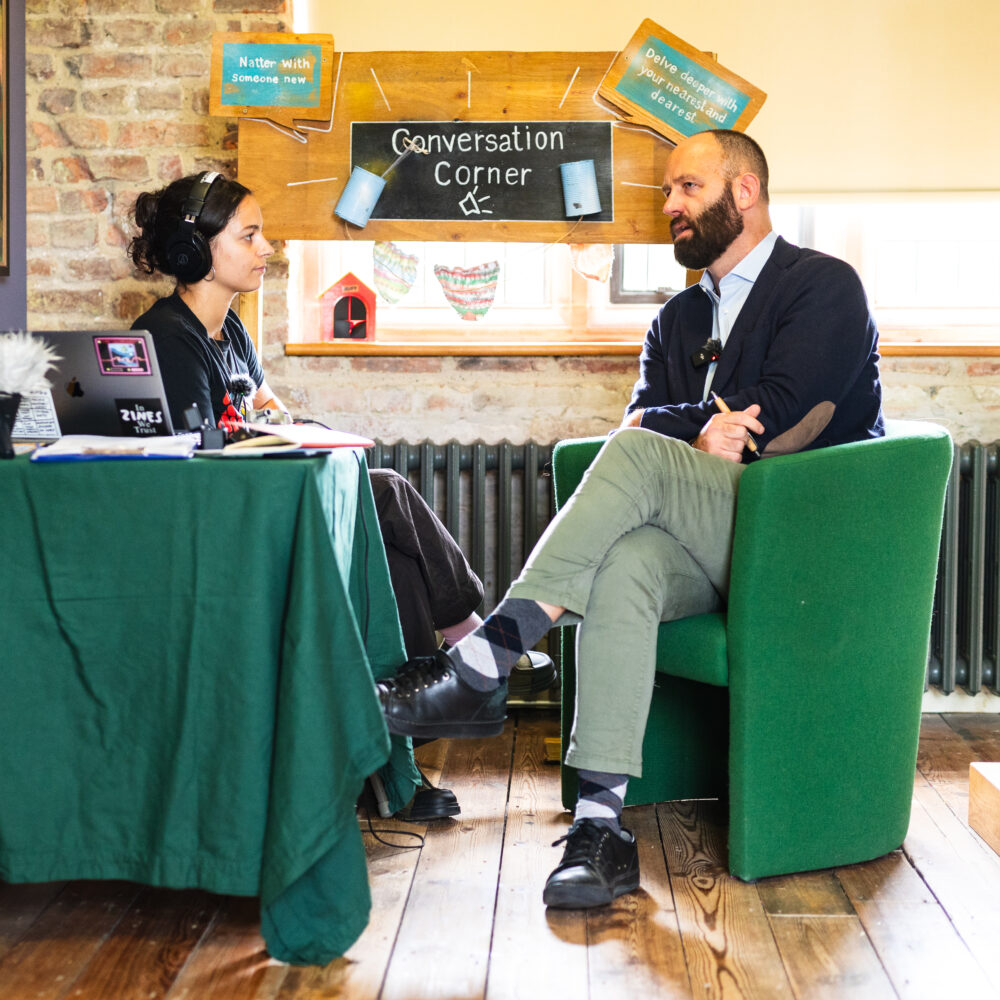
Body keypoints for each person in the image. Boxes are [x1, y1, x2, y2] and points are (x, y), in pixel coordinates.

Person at [376, 129, 884, 906]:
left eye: (688, 187)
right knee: (627, 562)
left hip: (797, 540)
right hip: (707, 541)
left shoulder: (822, 285)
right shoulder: (677, 320)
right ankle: (600, 828)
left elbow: (781, 415)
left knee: (639, 455)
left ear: (744, 191)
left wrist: (676, 430)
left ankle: (485, 660)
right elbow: (642, 421)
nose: (671, 204)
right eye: (668, 191)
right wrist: (696, 430)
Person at [126, 171, 486, 820]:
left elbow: (268, 409)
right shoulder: (167, 340)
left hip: (270, 503)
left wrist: (289, 427)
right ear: (196, 249)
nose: (267, 248)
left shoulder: (230, 331)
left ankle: (397, 757)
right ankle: (471, 648)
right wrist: (277, 433)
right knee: (387, 491)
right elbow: (205, 467)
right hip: (231, 531)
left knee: (392, 556)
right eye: (250, 235)